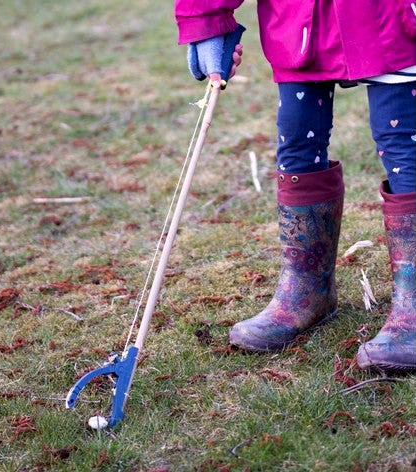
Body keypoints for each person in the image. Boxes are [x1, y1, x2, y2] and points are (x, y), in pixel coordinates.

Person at [174, 0, 416, 372]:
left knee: (403, 143)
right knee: (298, 141)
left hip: (390, 17)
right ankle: (307, 290)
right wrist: (206, 20)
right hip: (299, 21)